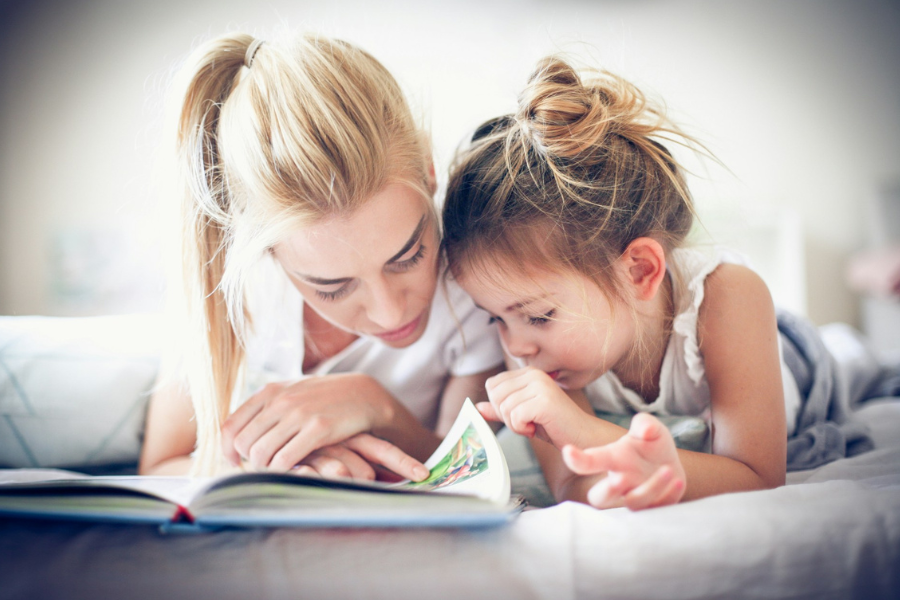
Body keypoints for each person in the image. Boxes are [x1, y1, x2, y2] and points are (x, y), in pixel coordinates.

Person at [441, 55, 888, 510]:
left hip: (796, 361)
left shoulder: (728, 295)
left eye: (539, 316)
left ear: (639, 271)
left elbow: (758, 477)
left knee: (854, 360)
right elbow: (572, 488)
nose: (516, 347)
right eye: (495, 318)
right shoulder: (540, 353)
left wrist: (586, 431)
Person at [138, 32, 503, 478]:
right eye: (332, 287)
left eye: (409, 256)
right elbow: (159, 466)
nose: (390, 315)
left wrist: (377, 406)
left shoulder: (476, 289)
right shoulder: (232, 289)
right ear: (267, 251)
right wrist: (277, 467)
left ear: (428, 169)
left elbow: (466, 468)